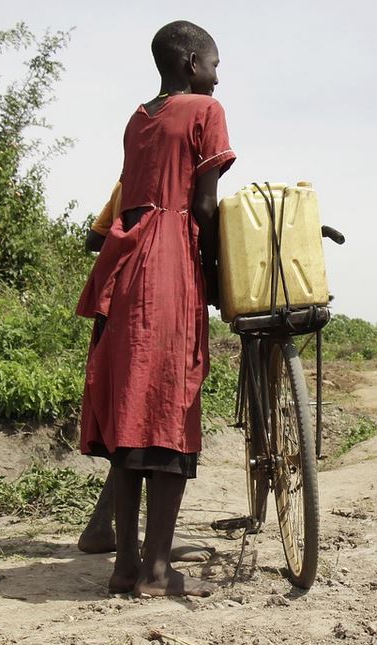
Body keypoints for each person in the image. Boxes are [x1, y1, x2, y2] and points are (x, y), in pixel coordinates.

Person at [76, 20, 235, 597]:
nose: (218, 76)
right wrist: (218, 276)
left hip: (124, 263)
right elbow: (204, 204)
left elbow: (130, 195)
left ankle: (124, 567)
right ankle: (158, 573)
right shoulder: (204, 110)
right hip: (171, 262)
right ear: (192, 62)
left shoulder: (136, 118)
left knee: (130, 410)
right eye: (215, 64)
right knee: (170, 405)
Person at [78, 184, 217, 565]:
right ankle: (154, 552)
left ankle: (105, 530)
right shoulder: (182, 191)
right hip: (151, 301)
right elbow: (206, 216)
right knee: (160, 419)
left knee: (131, 420)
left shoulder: (126, 186)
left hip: (115, 301)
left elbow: (95, 238)